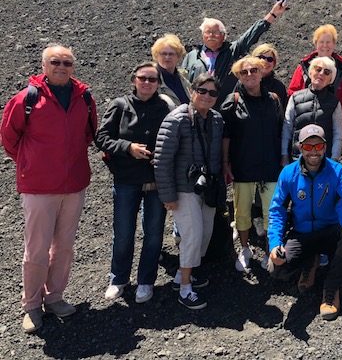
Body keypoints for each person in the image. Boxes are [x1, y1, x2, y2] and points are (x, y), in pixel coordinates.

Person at [1, 44, 97, 333]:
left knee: (64, 247)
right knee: (37, 248)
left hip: (74, 183)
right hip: (40, 186)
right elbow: (9, 137)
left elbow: (89, 134)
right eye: (55, 61)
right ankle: (31, 304)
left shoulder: (84, 97)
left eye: (67, 62)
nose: (62, 66)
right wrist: (32, 163)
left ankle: (54, 297)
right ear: (44, 65)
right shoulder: (26, 99)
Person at [96, 62, 173, 304]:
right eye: (143, 78)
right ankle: (118, 279)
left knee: (153, 233)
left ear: (159, 83)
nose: (147, 83)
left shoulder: (165, 107)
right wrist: (127, 147)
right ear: (134, 80)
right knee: (123, 232)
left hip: (155, 180)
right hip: (127, 179)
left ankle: (146, 281)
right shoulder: (120, 105)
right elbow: (101, 138)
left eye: (152, 79)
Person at [268, 124, 342, 321]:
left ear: (325, 147)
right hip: (302, 234)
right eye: (308, 147)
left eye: (318, 146)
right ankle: (312, 260)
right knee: (276, 268)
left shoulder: (338, 171)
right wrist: (275, 244)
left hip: (329, 232)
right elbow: (277, 211)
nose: (313, 152)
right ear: (300, 148)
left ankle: (331, 288)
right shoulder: (288, 174)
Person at [154, 74, 224, 309]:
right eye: (202, 91)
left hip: (207, 187)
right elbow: (162, 160)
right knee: (192, 235)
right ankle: (185, 289)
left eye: (212, 93)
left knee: (204, 233)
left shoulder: (215, 119)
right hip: (184, 189)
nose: (207, 96)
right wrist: (168, 196)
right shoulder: (176, 119)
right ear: (192, 91)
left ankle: (183, 275)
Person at [220, 56, 283, 272]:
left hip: (270, 165)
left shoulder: (273, 99)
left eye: (254, 70)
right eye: (244, 72)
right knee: (242, 212)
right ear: (238, 75)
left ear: (262, 71)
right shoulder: (233, 100)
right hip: (242, 164)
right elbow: (226, 135)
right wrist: (225, 162)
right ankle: (245, 249)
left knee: (271, 212)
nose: (250, 75)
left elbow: (280, 132)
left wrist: (283, 159)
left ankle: (269, 251)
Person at [181, 0, 287, 103]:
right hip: (196, 108)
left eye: (215, 32)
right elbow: (182, 81)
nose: (211, 35)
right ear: (202, 35)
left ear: (224, 35)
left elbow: (251, 35)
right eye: (207, 32)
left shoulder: (232, 51)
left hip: (224, 111)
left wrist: (273, 14)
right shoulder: (192, 56)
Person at [287, 24, 342, 135]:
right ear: (315, 44)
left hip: (334, 127)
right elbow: (292, 93)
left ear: (334, 44)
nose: (325, 46)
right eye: (321, 42)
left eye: (328, 42)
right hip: (306, 127)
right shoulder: (303, 68)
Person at [281, 56, 342, 165]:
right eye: (318, 69)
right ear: (310, 73)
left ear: (331, 80)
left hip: (325, 161)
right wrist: (284, 155)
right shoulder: (295, 98)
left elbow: (338, 133)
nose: (321, 73)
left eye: (327, 72)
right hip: (297, 159)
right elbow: (287, 127)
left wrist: (334, 160)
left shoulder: (334, 102)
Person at [151, 33, 191, 106]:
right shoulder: (151, 79)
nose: (167, 57)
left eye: (171, 54)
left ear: (178, 57)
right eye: (163, 54)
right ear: (156, 56)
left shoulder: (184, 76)